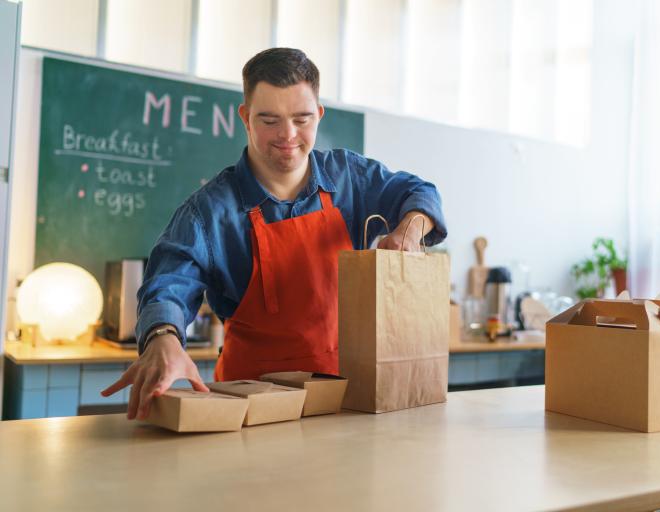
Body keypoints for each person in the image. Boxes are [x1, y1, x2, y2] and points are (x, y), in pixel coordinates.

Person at [102, 48, 447, 420]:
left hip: (351, 400)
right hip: (252, 412)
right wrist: (161, 338)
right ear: (245, 118)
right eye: (269, 120)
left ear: (319, 115)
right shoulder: (209, 211)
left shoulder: (350, 177)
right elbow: (168, 282)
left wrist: (409, 231)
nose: (288, 136)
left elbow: (420, 192)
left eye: (302, 119)